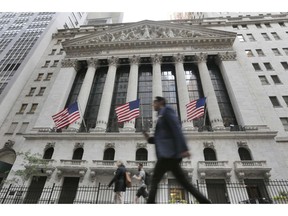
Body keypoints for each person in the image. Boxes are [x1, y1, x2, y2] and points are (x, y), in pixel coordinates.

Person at [143, 96, 212, 204]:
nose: (153, 105)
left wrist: (183, 148)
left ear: (161, 102)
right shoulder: (161, 115)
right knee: (184, 183)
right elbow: (161, 137)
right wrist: (149, 139)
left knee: (155, 180)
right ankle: (205, 202)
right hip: (168, 156)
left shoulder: (167, 111)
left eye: (155, 103)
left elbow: (176, 128)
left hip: (168, 155)